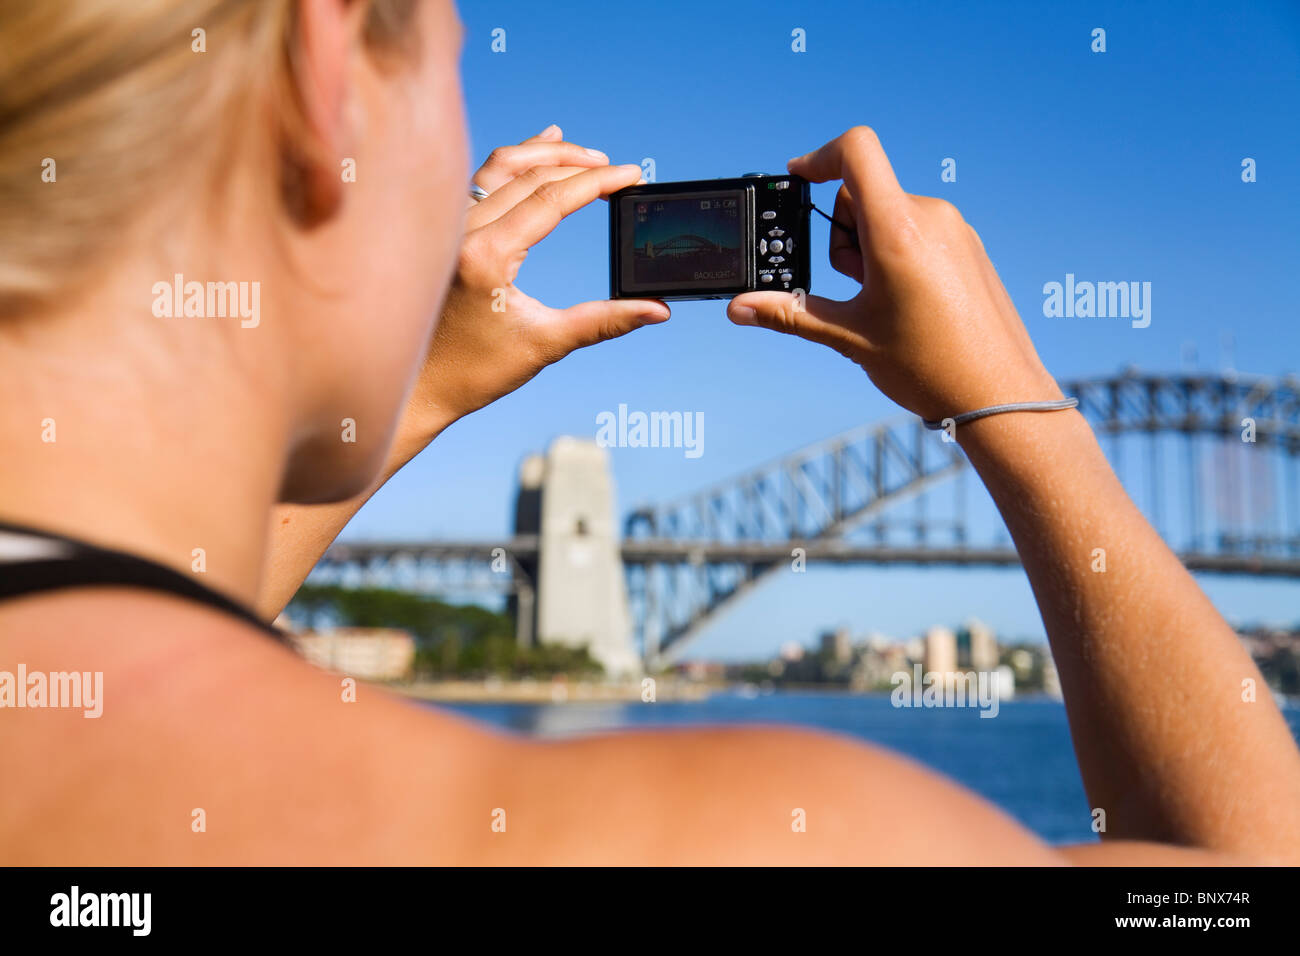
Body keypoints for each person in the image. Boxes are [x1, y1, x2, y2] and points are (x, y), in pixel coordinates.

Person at [1, 0, 1297, 866]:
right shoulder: (770, 836)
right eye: (450, 54)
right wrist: (1018, 405)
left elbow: (135, 640)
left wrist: (433, 385)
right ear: (325, 71)